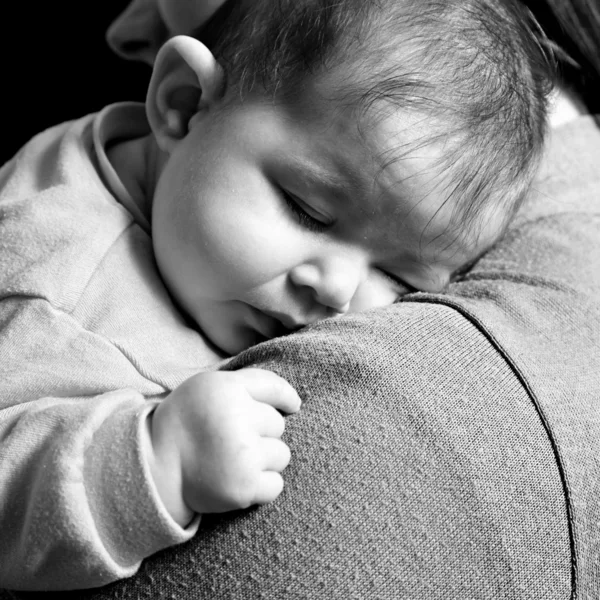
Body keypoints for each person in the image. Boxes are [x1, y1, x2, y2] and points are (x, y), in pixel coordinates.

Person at [0, 0, 560, 593]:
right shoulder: (51, 291)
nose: (339, 290)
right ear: (182, 103)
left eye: (402, 280)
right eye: (308, 211)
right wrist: (154, 462)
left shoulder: (187, 180)